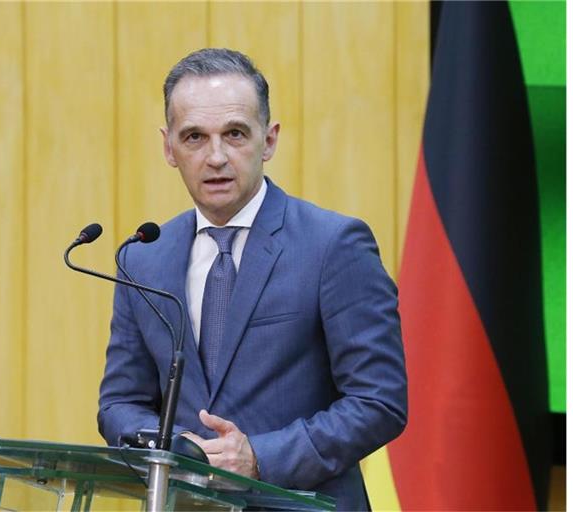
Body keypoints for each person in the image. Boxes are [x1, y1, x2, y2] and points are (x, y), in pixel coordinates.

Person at [98, 48, 407, 511]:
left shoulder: (333, 245)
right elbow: (119, 403)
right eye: (195, 137)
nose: (216, 156)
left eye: (235, 134)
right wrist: (170, 449)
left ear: (269, 140)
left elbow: (379, 401)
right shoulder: (144, 257)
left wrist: (260, 456)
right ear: (169, 148)